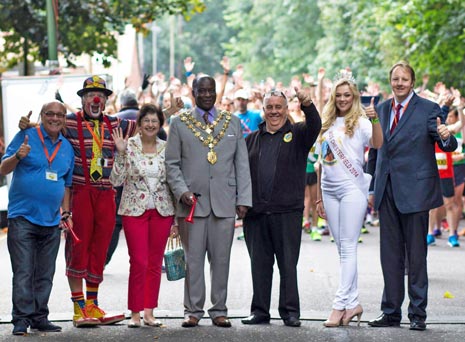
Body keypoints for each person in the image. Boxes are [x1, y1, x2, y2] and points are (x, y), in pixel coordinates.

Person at [19, 76, 138, 327]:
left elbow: (147, 123)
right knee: (78, 246)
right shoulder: (69, 122)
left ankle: (93, 305)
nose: (95, 99)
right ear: (82, 99)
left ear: (106, 100)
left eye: (100, 96)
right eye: (90, 95)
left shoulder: (115, 123)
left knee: (100, 248)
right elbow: (47, 125)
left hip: (106, 193)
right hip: (81, 193)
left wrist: (170, 111)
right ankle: (78, 307)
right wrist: (26, 124)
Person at [367, 61, 457, 331]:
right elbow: (375, 151)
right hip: (387, 191)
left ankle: (418, 314)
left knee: (416, 257)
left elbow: (447, 144)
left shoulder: (429, 109)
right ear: (390, 81)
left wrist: (446, 136)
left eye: (404, 79)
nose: (399, 83)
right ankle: (390, 312)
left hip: (416, 193)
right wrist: (372, 187)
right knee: (390, 256)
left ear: (412, 82)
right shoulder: (381, 109)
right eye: (395, 78)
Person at [165, 75, 252, 328]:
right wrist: (181, 191)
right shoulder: (179, 123)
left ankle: (219, 309)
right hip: (191, 203)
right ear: (193, 93)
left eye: (210, 90)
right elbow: (171, 164)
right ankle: (192, 310)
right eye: (201, 91)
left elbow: (241, 164)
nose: (206, 95)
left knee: (221, 260)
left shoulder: (232, 123)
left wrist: (244, 198)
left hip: (224, 203)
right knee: (193, 260)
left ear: (216, 92)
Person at [241, 88, 321, 327]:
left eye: (278, 107)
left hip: (287, 212)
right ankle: (260, 311)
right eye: (269, 107)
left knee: (288, 264)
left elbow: (315, 124)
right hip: (256, 214)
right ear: (263, 111)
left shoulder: (298, 134)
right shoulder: (251, 139)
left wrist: (307, 103)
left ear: (286, 110)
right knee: (259, 265)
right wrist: (241, 202)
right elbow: (241, 174)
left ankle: (290, 312)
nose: (274, 111)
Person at [0, 101, 74, 335]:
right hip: (22, 217)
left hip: (51, 220)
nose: (54, 118)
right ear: (42, 116)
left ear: (64, 119)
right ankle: (20, 320)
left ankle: (39, 317)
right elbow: (3, 168)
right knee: (23, 271)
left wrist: (66, 211)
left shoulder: (67, 148)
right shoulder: (26, 135)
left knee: (45, 273)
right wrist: (18, 157)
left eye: (59, 115)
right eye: (49, 114)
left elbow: (66, 184)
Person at [315, 75, 383, 327]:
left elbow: (377, 143)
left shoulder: (362, 122)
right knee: (341, 249)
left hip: (352, 189)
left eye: (347, 95)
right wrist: (320, 196)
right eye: (339, 95)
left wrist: (375, 118)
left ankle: (338, 305)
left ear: (354, 97)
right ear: (334, 97)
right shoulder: (326, 123)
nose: (343, 99)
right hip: (329, 190)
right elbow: (322, 161)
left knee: (348, 246)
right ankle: (353, 304)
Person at [110, 104, 177, 328]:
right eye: (146, 121)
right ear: (139, 124)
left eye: (154, 122)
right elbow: (116, 181)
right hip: (133, 211)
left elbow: (173, 182)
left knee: (155, 263)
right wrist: (119, 153)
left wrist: (176, 218)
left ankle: (149, 312)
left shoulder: (167, 148)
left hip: (162, 211)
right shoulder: (127, 146)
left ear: (160, 125)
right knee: (138, 261)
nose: (150, 125)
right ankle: (135, 313)